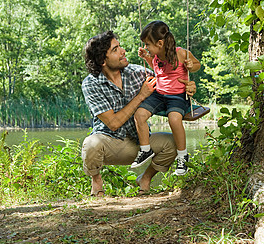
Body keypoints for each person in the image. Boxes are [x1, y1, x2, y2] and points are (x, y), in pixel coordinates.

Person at [81, 30, 197, 196]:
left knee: (173, 143)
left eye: (120, 46)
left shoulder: (137, 72)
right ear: (102, 61)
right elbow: (113, 123)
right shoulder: (91, 84)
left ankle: (145, 179)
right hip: (109, 144)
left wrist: (189, 87)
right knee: (91, 143)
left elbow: (170, 83)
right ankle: (97, 183)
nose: (123, 51)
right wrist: (141, 95)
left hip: (139, 143)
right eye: (115, 50)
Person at [131, 21, 201, 176]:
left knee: (174, 119)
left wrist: (191, 65)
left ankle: (182, 156)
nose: (146, 47)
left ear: (160, 43)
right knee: (139, 115)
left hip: (177, 96)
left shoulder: (180, 53)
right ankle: (145, 150)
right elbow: (157, 68)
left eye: (148, 44)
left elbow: (197, 64)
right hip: (159, 94)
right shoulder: (156, 56)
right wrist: (146, 57)